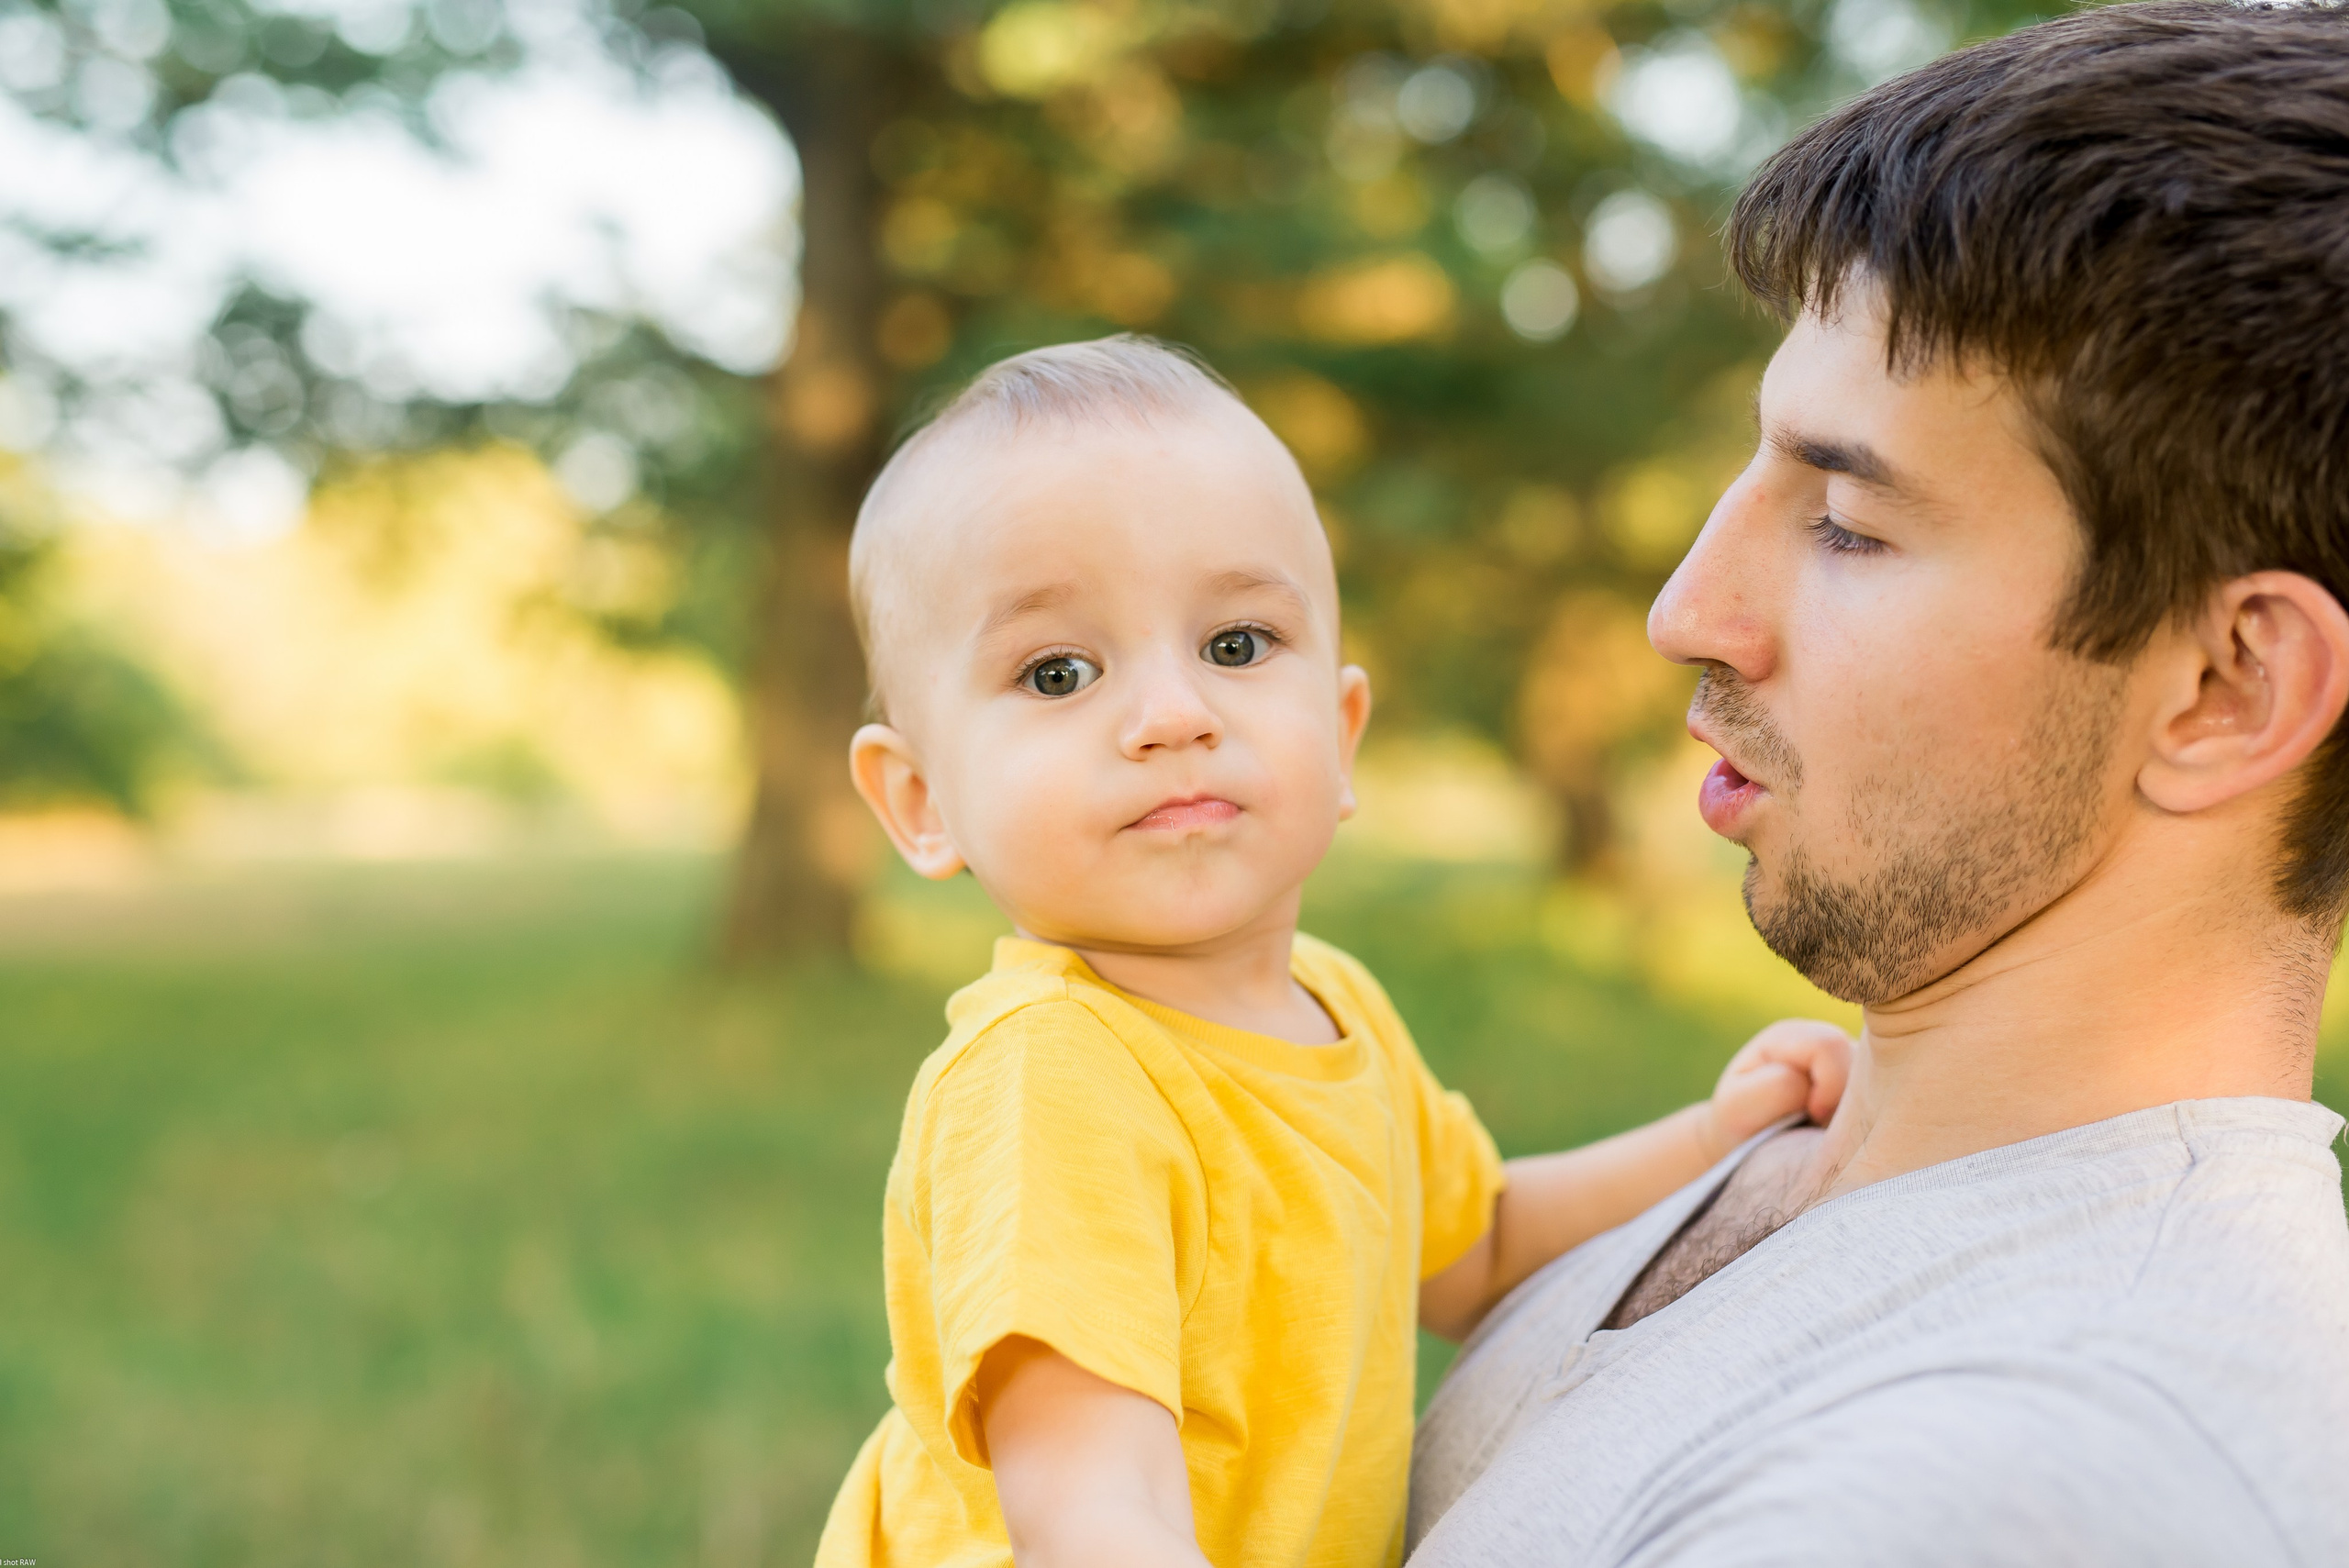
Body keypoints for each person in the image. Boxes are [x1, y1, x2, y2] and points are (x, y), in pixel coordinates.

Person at [1406, 5, 2349, 1563]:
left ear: (2226, 687)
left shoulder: (2031, 1471)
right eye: (1758, 471)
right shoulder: (1777, 1169)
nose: (1687, 610)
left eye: (1848, 523)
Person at [813, 336, 1851, 1568]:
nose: (1172, 716)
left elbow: (1477, 1249)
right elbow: (1092, 1511)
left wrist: (1711, 1143)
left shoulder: (1332, 1006)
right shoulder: (1053, 1077)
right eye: (1059, 671)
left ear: (1342, 736)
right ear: (920, 798)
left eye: (1237, 645)